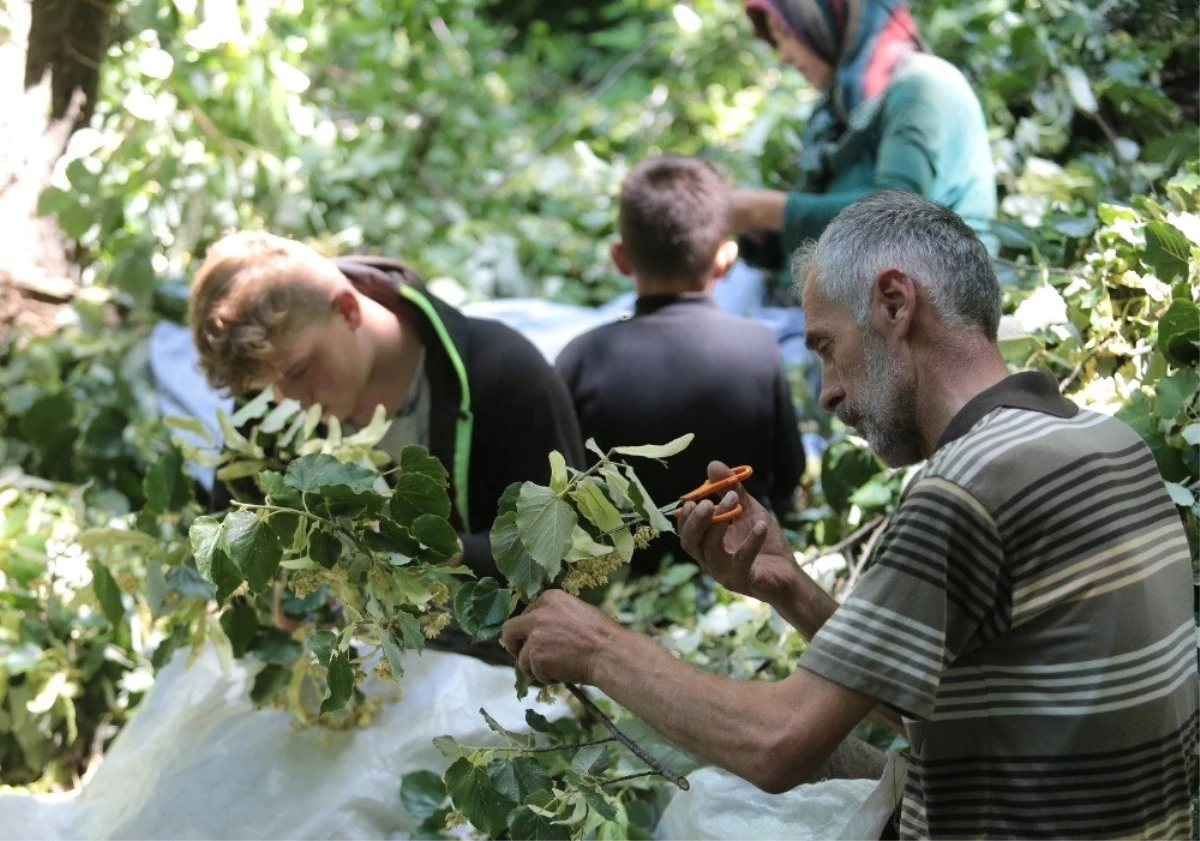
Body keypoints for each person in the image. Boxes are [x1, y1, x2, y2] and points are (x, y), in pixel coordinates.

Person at [501, 192, 1199, 839]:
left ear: (895, 303)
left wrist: (598, 646)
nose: (830, 394)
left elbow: (775, 744)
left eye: (827, 347)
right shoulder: (1108, 442)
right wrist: (790, 587)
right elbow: (956, 701)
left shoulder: (969, 486)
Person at [189, 232, 586, 576]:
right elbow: (234, 546)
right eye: (261, 389)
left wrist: (441, 550)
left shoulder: (504, 375)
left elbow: (562, 557)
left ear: (347, 309)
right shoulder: (267, 407)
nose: (285, 401)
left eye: (298, 371)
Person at [555, 155, 804, 575]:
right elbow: (786, 482)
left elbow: (557, 499)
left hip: (613, 578)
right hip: (737, 574)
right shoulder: (758, 347)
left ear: (620, 259)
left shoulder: (580, 357)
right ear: (725, 258)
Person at [717, 0, 996, 313]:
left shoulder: (922, 86)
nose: (785, 55)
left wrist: (764, 210)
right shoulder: (837, 108)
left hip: (935, 305)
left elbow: (900, 218)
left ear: (827, 18)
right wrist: (761, 232)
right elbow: (821, 232)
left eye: (785, 32)